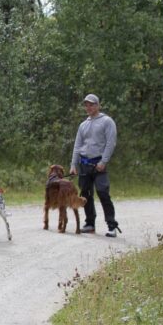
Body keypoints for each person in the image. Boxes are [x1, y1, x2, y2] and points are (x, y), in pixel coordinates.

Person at [70, 94, 120, 237]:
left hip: (99, 164)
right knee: (85, 194)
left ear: (98, 105)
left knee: (103, 192)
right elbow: (77, 146)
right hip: (84, 164)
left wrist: (103, 162)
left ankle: (111, 225)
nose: (88, 107)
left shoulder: (107, 121)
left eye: (91, 104)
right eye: (86, 105)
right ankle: (90, 223)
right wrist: (73, 164)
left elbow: (111, 143)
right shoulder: (83, 125)